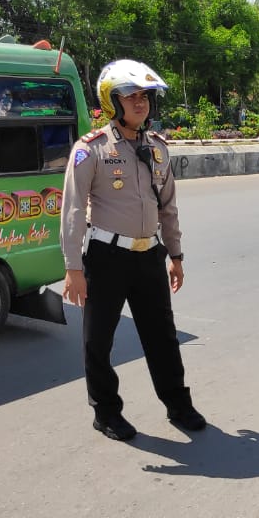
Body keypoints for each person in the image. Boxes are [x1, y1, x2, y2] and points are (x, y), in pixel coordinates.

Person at [60, 59, 206, 441]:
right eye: (131, 96)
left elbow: (168, 206)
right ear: (112, 101)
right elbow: (73, 209)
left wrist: (175, 256)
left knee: (163, 337)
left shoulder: (158, 149)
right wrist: (72, 267)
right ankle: (106, 412)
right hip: (106, 258)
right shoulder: (90, 149)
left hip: (149, 256)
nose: (140, 103)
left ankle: (178, 404)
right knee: (99, 340)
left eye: (144, 96)